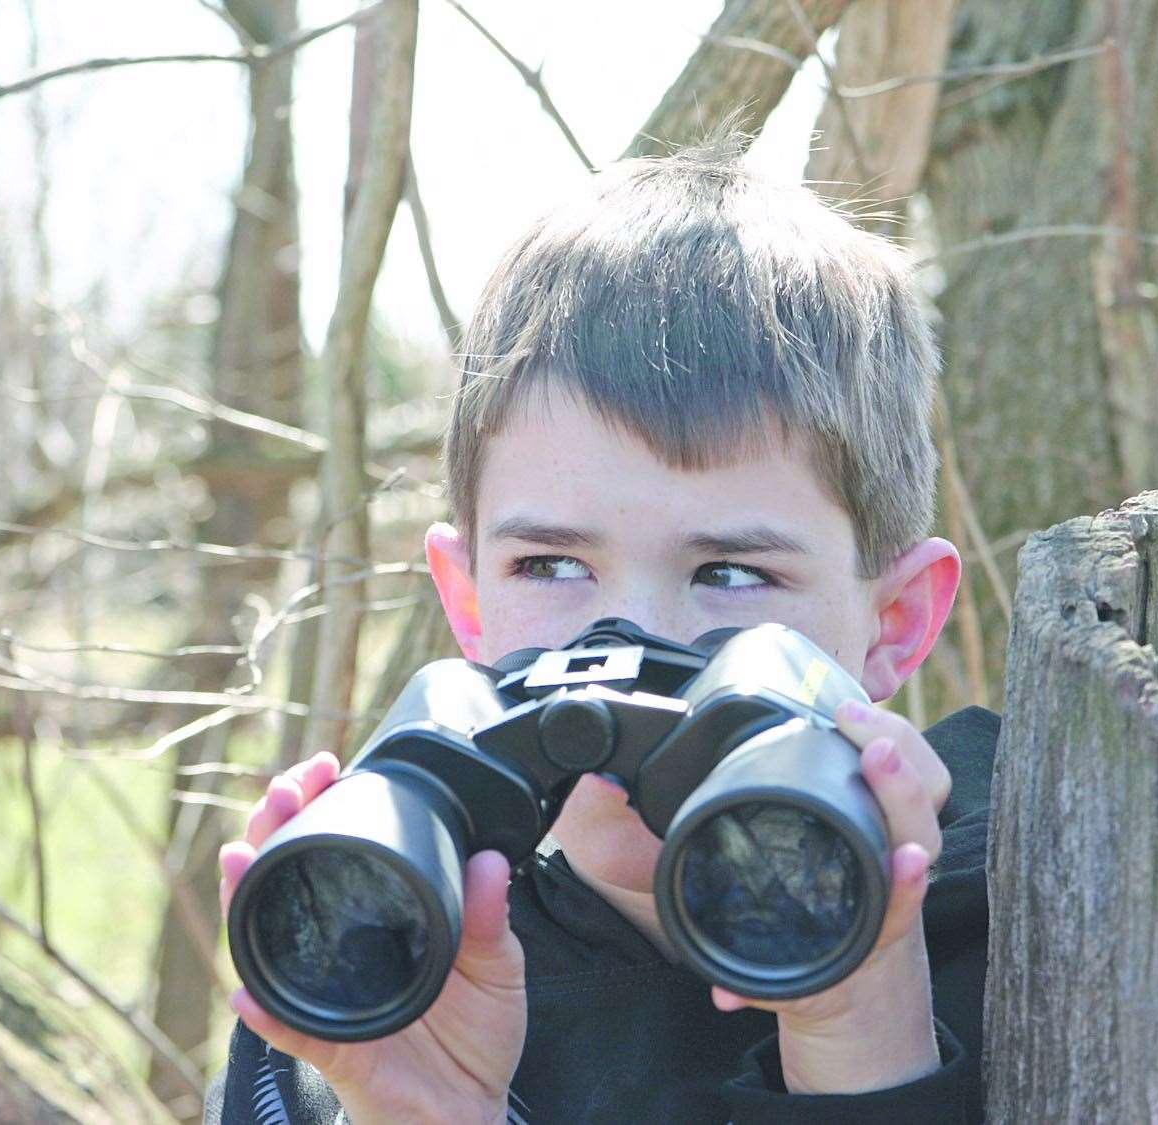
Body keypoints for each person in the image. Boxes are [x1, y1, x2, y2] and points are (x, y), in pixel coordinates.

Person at [210, 132, 998, 1124]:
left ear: (895, 621)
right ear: (466, 598)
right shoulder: (375, 988)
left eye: (730, 572)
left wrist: (864, 1024)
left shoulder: (1053, 913)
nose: (629, 641)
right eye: (549, 566)